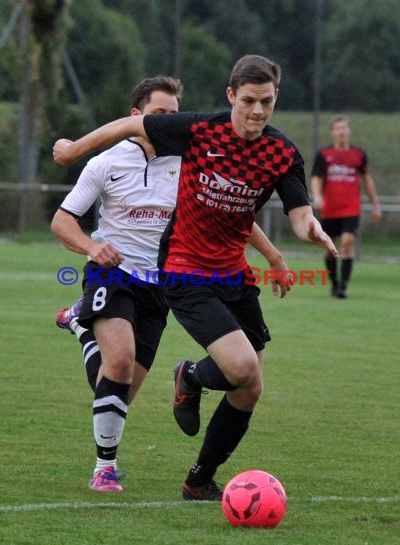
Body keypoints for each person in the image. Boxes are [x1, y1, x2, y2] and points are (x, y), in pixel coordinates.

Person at [53, 54, 338, 502]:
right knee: (226, 366)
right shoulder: (198, 131)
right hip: (179, 270)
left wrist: (305, 234)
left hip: (231, 274)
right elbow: (127, 128)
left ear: (276, 98)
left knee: (250, 386)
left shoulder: (281, 153)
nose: (257, 111)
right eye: (248, 101)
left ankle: (199, 480)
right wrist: (72, 151)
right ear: (231, 96)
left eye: (266, 102)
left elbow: (296, 211)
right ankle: (183, 382)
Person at [311, 114, 381, 298]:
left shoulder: (358, 155)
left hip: (351, 207)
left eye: (344, 128)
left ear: (349, 131)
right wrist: (317, 196)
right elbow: (317, 177)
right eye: (338, 128)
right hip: (330, 208)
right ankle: (334, 283)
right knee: (330, 248)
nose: (341, 132)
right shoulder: (324, 155)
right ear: (333, 132)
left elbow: (367, 179)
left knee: (348, 243)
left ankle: (343, 286)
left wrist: (376, 205)